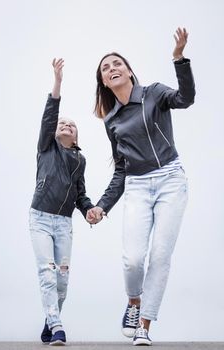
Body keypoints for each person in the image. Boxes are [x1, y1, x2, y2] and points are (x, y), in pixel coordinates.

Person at [87, 27, 195, 346]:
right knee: (133, 259)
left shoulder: (155, 93)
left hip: (170, 180)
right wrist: (101, 206)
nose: (112, 68)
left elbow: (186, 99)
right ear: (104, 82)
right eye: (106, 68)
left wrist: (179, 59)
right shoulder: (112, 121)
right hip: (136, 185)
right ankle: (133, 303)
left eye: (117, 63)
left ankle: (145, 326)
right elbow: (121, 169)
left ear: (129, 70)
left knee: (160, 255)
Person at [29, 58, 94, 346]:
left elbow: (80, 194)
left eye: (72, 124)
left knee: (63, 279)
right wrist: (57, 82)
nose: (66, 125)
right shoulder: (46, 148)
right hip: (41, 217)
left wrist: (89, 209)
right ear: (55, 132)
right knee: (47, 271)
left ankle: (49, 319)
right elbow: (49, 115)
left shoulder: (80, 160)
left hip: (64, 223)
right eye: (62, 123)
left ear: (76, 135)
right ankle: (56, 325)